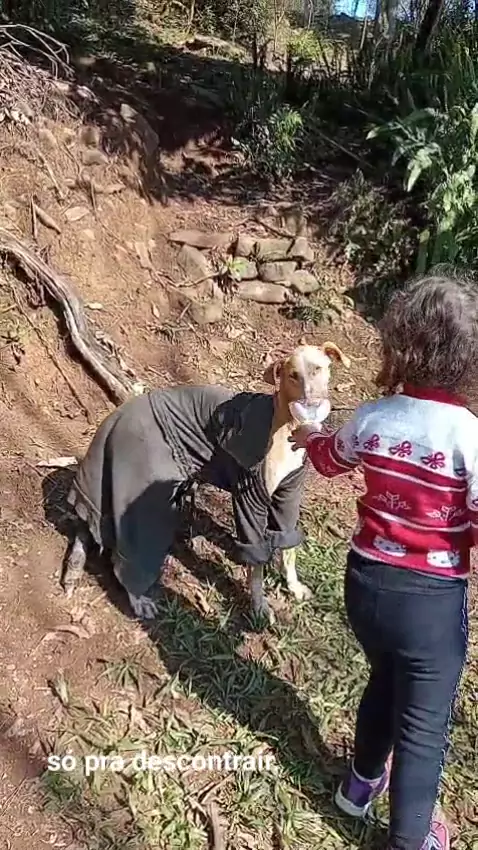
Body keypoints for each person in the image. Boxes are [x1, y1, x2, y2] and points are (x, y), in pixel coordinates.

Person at [289, 271, 478, 850]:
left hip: (366, 587)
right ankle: (410, 841)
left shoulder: (374, 416)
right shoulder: (467, 434)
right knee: (424, 728)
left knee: (386, 679)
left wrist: (310, 432)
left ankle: (359, 786)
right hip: (430, 604)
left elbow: (329, 460)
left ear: (399, 344)